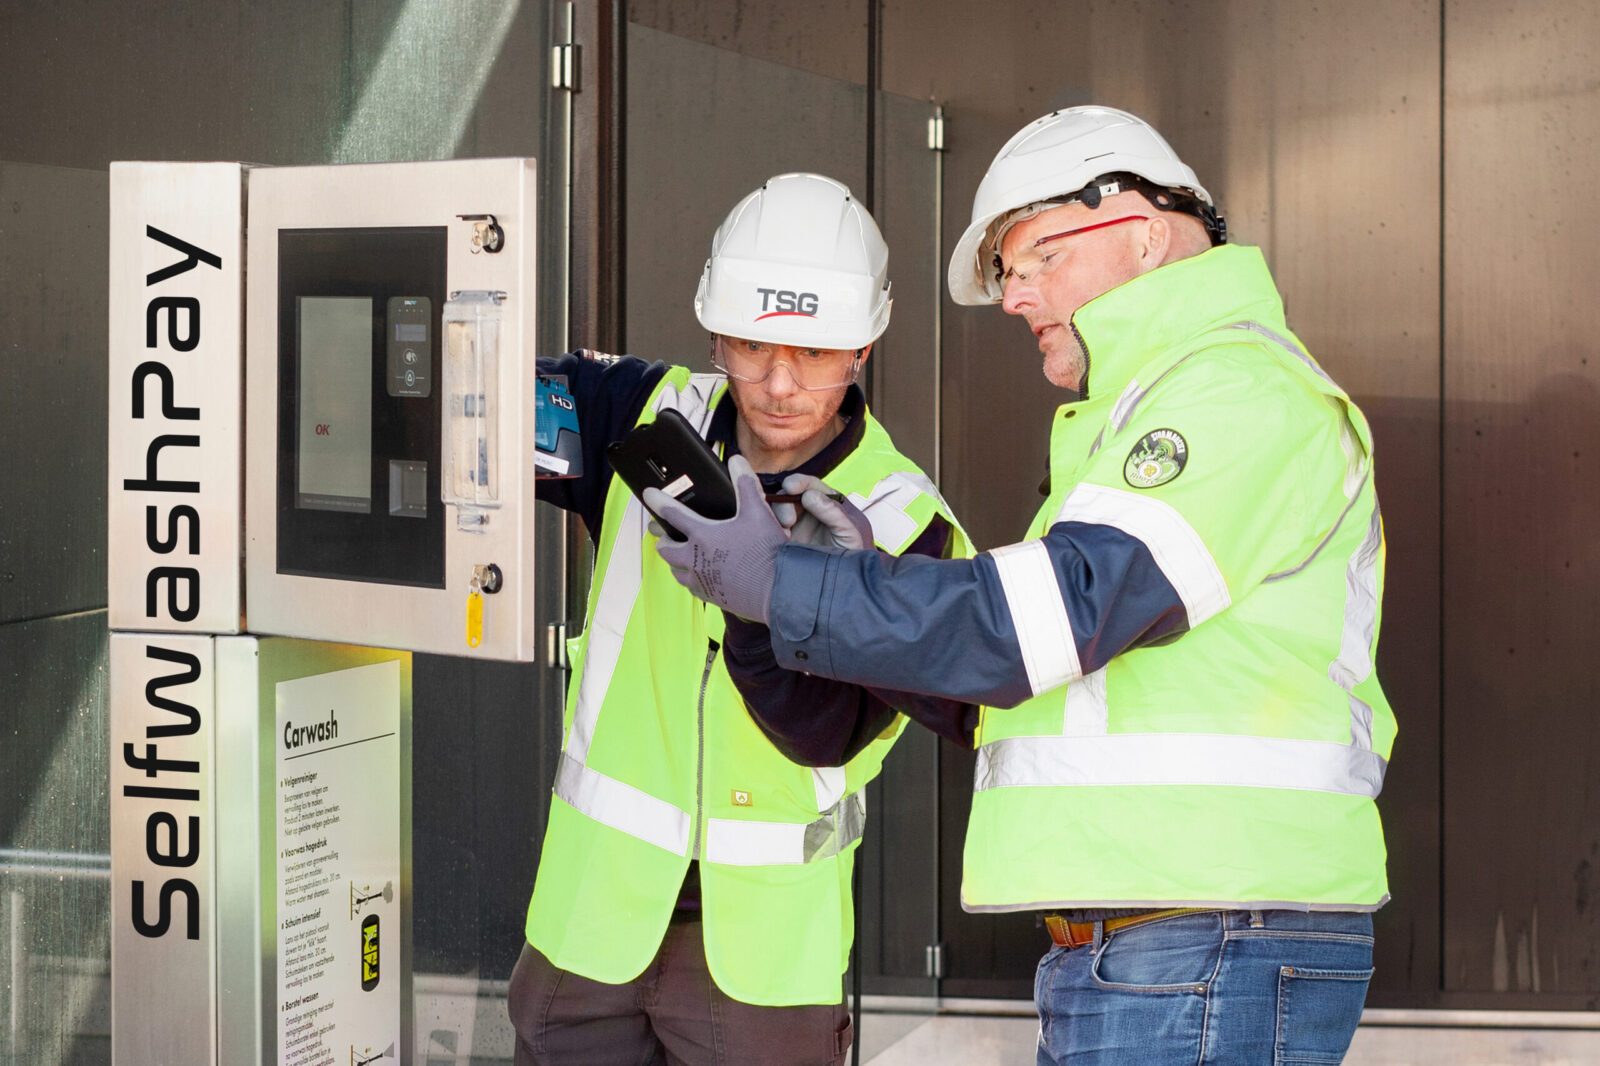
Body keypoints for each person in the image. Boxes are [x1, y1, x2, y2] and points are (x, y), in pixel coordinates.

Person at [646, 107, 1395, 1065]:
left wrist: (789, 584)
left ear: (1143, 234)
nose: (1013, 296)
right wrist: (833, 588)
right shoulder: (1148, 415)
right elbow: (1008, 689)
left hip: (1203, 942)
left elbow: (1041, 622)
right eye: (1008, 272)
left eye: (1038, 257)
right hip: (1170, 944)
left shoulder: (1235, 394)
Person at [509, 172, 970, 1066]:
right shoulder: (640, 416)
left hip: (760, 963)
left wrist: (769, 601)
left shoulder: (906, 523)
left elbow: (824, 733)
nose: (780, 384)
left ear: (863, 347)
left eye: (816, 353)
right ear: (716, 332)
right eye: (753, 346)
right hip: (589, 925)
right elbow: (474, 407)